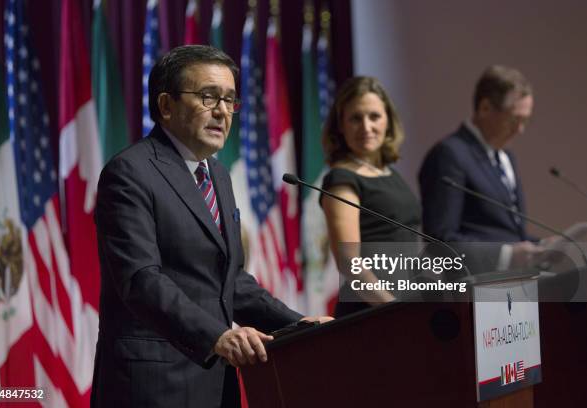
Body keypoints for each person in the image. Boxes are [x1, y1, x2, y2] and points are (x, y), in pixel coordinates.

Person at [90, 45, 331, 408]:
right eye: (208, 97)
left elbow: (230, 281)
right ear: (166, 105)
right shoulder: (130, 173)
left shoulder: (216, 174)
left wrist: (299, 326)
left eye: (230, 99)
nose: (222, 111)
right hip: (150, 385)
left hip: (215, 383)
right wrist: (217, 336)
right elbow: (140, 279)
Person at [418, 65, 543, 270]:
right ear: (485, 108)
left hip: (516, 285)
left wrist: (543, 247)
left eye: (526, 121)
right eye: (514, 119)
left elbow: (505, 233)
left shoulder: (506, 157)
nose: (520, 130)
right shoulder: (449, 154)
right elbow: (440, 240)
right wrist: (507, 255)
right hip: (476, 291)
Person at [320, 76, 422, 317]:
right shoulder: (341, 179)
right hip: (371, 312)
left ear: (388, 120)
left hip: (406, 302)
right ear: (341, 126)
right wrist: (392, 308)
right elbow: (349, 262)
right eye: (356, 118)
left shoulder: (390, 173)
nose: (366, 127)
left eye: (374, 116)